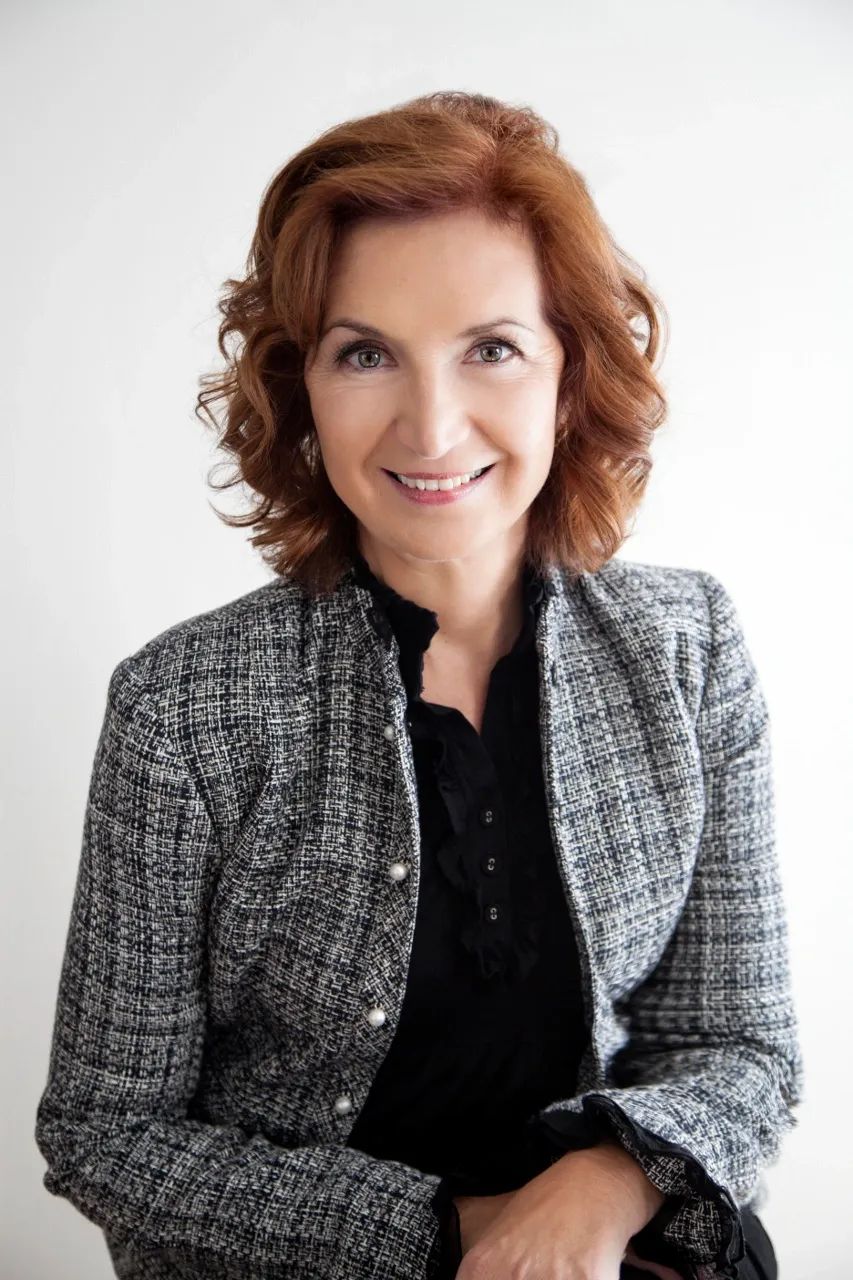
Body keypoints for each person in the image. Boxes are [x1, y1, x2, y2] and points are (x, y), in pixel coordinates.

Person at [35, 90, 802, 1280]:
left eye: (491, 348)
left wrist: (599, 1187)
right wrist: (454, 1232)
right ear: (300, 385)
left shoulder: (686, 647)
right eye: (366, 353)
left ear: (569, 370)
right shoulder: (181, 707)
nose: (432, 427)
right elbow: (105, 1130)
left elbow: (739, 1048)